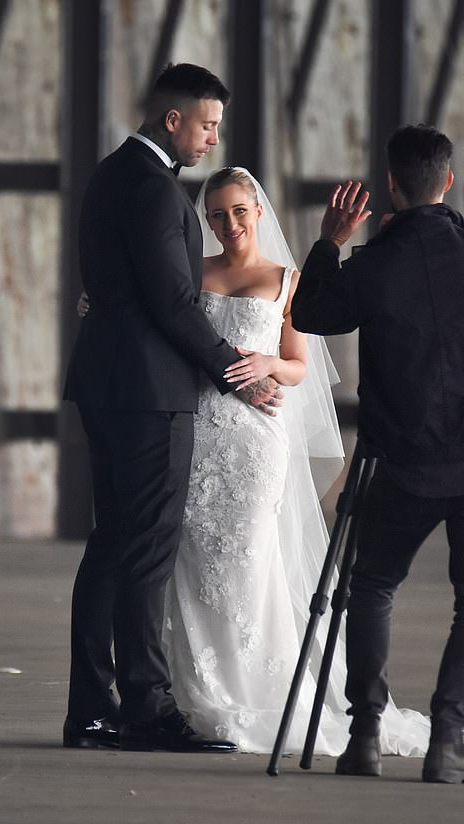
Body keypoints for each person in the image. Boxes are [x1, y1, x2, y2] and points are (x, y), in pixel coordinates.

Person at [161, 166, 428, 756]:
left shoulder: (287, 280)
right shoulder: (192, 274)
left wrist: (265, 366)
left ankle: (262, 686)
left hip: (256, 442)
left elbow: (300, 367)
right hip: (201, 435)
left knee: (253, 556)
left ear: (258, 211)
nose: (228, 225)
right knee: (193, 557)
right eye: (216, 216)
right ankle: (199, 692)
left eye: (238, 211)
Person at [62, 63, 282, 753]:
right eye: (208, 124)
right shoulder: (157, 191)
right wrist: (236, 374)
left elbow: (114, 287)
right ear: (173, 119)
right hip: (150, 395)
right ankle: (147, 710)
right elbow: (172, 303)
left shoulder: (108, 175)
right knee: (148, 551)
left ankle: (92, 710)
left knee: (111, 547)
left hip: (107, 385)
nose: (213, 138)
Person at [291, 124, 464, 782]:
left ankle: (362, 737)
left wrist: (330, 243)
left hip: (401, 459)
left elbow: (308, 312)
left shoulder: (375, 261)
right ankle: (447, 742)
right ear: (446, 181)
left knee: (371, 588)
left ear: (391, 183)